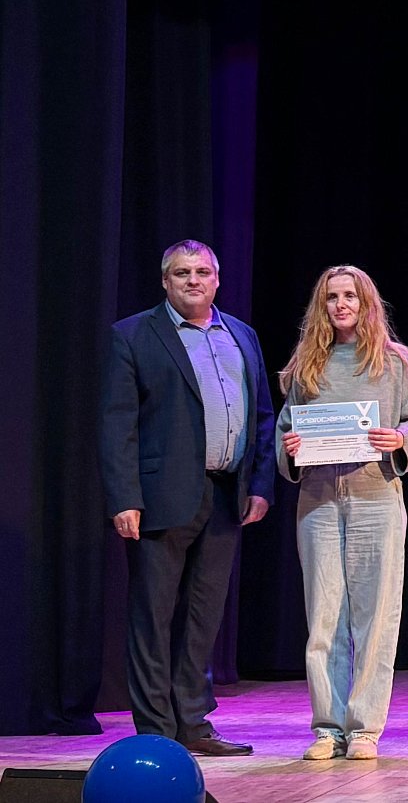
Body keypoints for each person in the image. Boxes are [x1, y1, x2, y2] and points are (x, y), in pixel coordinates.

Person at [100, 240, 275, 757]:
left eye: (202, 272)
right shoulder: (133, 334)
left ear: (216, 280)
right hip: (160, 497)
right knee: (153, 617)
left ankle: (194, 724)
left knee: (204, 617)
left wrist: (260, 485)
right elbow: (117, 424)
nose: (193, 280)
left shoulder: (241, 334)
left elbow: (263, 415)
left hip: (226, 495)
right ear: (165, 281)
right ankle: (157, 730)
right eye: (182, 273)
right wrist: (124, 497)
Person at [276, 265, 408, 761]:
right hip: (319, 500)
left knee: (375, 616)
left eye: (350, 296)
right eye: (331, 297)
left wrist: (399, 439)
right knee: (324, 617)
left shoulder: (394, 362)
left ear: (367, 304)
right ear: (320, 306)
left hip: (376, 496)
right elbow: (286, 428)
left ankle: (364, 728)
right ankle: (327, 727)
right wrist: (290, 447)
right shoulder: (307, 362)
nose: (341, 305)